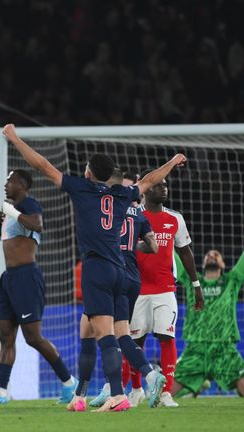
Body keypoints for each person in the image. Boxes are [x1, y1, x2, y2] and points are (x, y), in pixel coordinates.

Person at [0, 124, 187, 412]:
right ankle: (105, 388)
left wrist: (14, 139)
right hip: (121, 272)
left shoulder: (81, 189)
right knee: (107, 332)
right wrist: (172, 162)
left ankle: (117, 395)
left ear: (88, 173)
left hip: (97, 270)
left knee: (104, 336)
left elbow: (43, 164)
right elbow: (150, 180)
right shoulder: (123, 195)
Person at [0, 169, 77, 405]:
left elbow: (37, 225)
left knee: (33, 338)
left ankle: (69, 382)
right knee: (6, 336)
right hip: (8, 278)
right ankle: (0, 393)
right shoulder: (13, 211)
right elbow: (6, 240)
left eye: (9, 181)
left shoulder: (29, 204)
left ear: (21, 184)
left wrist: (11, 211)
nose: (6, 185)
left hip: (26, 277)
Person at [171, 196, 244, 398]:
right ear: (201, 263)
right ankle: (192, 388)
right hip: (196, 350)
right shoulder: (191, 279)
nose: (211, 255)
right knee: (160, 399)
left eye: (216, 255)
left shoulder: (232, 280)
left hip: (224, 351)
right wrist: (159, 230)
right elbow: (170, 253)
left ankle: (195, 387)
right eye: (208, 254)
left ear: (223, 264)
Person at [82, 168, 164, 408]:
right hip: (132, 279)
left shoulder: (106, 207)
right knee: (122, 335)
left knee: (100, 334)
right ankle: (151, 375)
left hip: (108, 274)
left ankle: (105, 391)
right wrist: (133, 246)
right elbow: (154, 247)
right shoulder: (138, 212)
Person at [128, 170, 205, 408]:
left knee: (167, 337)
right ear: (146, 188)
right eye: (158, 185)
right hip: (137, 290)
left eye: (165, 185)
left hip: (165, 290)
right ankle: (136, 389)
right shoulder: (133, 217)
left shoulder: (175, 219)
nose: (164, 188)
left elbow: (185, 251)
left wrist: (196, 285)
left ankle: (166, 393)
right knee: (134, 342)